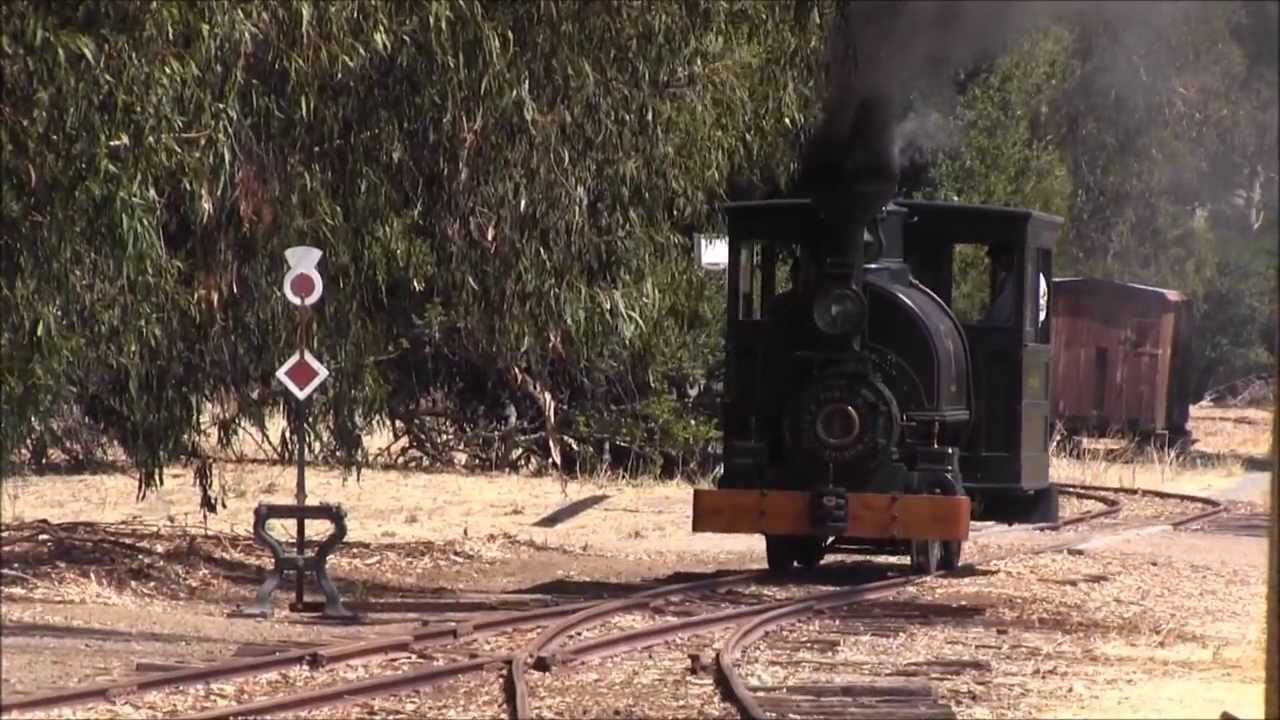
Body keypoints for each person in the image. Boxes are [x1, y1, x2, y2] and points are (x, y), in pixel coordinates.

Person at [982, 245, 1018, 326]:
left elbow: (999, 314)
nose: (997, 263)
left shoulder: (1015, 281)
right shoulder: (1008, 278)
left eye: (998, 258)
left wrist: (985, 322)